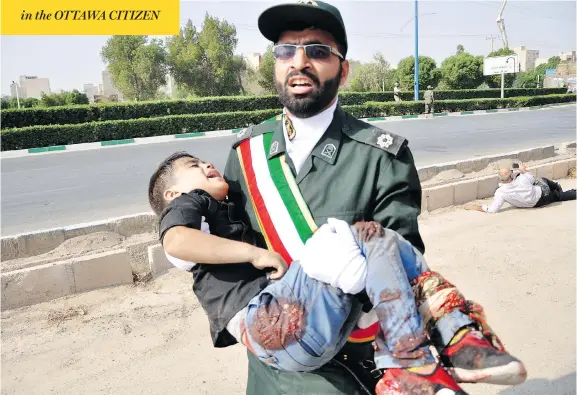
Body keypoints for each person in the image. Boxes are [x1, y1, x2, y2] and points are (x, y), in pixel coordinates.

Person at [168, 1, 526, 393]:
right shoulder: (246, 153)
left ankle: (438, 348)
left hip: (347, 367)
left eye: (318, 51)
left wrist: (350, 276)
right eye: (286, 50)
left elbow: (403, 267)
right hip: (272, 368)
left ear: (344, 69)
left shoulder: (381, 156)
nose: (298, 61)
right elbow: (220, 246)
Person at [148, 152, 469, 394]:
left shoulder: (224, 210)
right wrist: (255, 253)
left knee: (376, 245)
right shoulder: (190, 204)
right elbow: (176, 242)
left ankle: (412, 360)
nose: (207, 165)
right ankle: (447, 325)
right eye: (194, 166)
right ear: (172, 195)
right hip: (268, 320)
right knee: (352, 237)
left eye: (204, 161)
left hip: (300, 342)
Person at [465, 163, 576, 213]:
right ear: (511, 175)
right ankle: (557, 187)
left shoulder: (500, 192)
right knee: (543, 180)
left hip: (534, 205)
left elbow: (492, 210)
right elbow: (533, 178)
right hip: (543, 195)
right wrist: (523, 170)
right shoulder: (522, 178)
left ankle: (557, 192)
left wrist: (475, 207)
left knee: (555, 195)